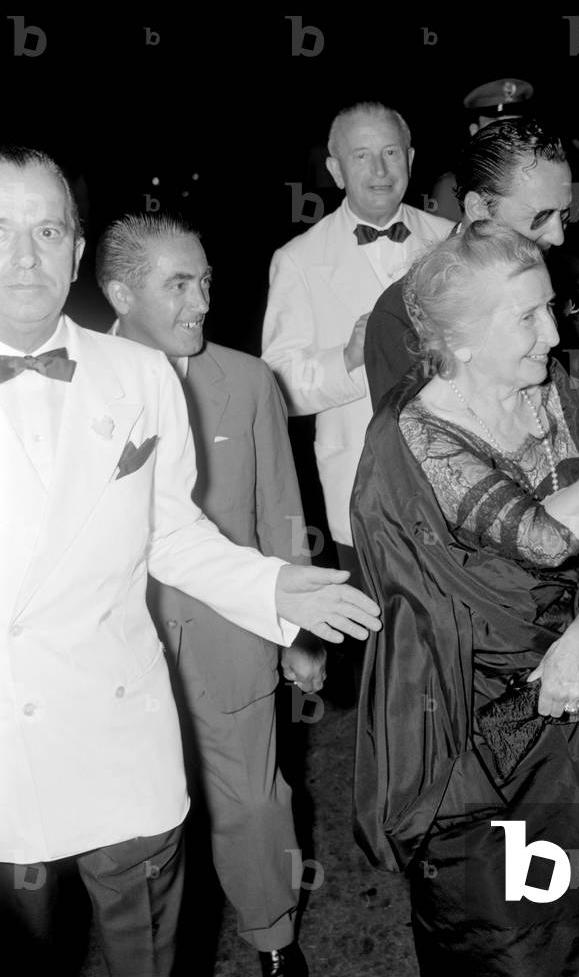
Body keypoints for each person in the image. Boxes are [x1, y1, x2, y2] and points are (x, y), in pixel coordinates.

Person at [0, 146, 380, 977]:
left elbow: (173, 532)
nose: (25, 255)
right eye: (1, 230)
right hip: (10, 740)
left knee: (154, 944)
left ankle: (273, 940)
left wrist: (279, 588)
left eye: (47, 229)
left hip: (124, 722)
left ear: (74, 250)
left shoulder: (140, 377)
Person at [352, 222, 579, 976]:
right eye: (528, 317)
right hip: (479, 733)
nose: (555, 330)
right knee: (517, 938)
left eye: (552, 308)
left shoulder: (565, 397)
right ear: (461, 341)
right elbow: (545, 538)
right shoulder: (414, 439)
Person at [98, 213, 321, 977]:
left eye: (205, 282)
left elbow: (281, 511)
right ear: (121, 293)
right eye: (178, 284)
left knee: (256, 806)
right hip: (118, 651)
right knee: (138, 829)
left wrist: (300, 630)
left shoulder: (248, 379)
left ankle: (274, 944)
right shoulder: (80, 385)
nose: (201, 301)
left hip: (230, 635)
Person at [261, 101, 453, 581]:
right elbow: (276, 386)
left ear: (411, 157)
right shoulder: (298, 259)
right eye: (362, 156)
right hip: (362, 490)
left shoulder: (455, 242)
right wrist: (346, 358)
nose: (380, 169)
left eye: (391, 152)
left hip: (456, 475)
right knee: (379, 637)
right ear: (336, 170)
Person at [364, 118, 579, 409]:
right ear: (479, 209)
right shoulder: (403, 314)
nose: (557, 237)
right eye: (541, 217)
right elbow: (405, 444)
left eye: (564, 216)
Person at [429, 77, 535, 221]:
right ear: (475, 132)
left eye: (516, 127)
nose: (508, 136)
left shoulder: (540, 180)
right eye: (497, 127)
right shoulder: (452, 188)